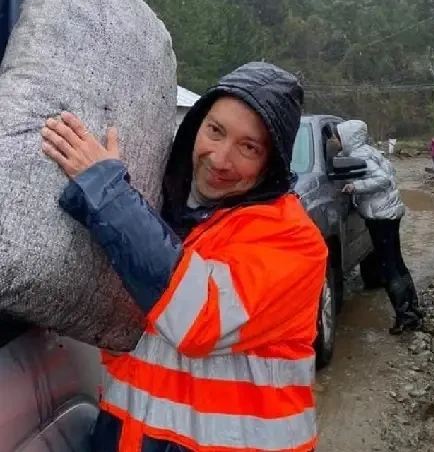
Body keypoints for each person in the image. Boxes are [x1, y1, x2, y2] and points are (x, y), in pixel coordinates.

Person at [39, 62, 328, 452]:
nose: (221, 159)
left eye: (248, 147)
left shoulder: (293, 241)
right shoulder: (166, 210)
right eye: (215, 131)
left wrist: (106, 192)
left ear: (270, 162)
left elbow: (199, 319)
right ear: (195, 127)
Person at [333, 119, 424, 334]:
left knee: (389, 267)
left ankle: (406, 317)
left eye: (336, 136)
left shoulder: (360, 155)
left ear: (346, 137)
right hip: (389, 212)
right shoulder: (368, 151)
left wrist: (355, 187)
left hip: (380, 216)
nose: (333, 140)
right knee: (397, 262)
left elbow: (382, 178)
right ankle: (413, 310)